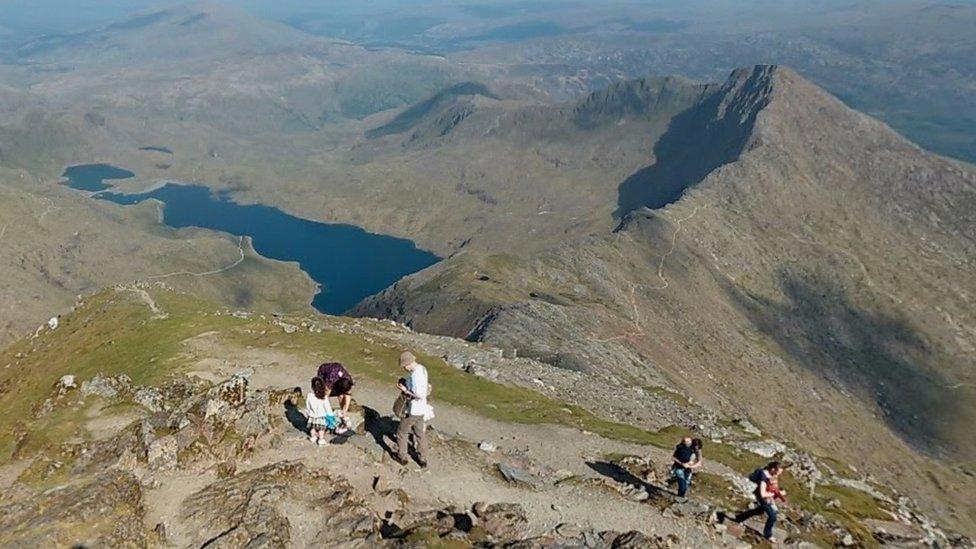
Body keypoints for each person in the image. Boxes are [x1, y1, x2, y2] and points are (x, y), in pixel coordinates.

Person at [733, 461, 787, 543]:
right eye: (777, 472)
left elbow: (773, 486)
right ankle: (768, 535)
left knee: (760, 511)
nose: (778, 474)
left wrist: (778, 491)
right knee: (772, 516)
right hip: (762, 496)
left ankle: (740, 517)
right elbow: (763, 494)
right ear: (773, 469)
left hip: (767, 496)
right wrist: (775, 493)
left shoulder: (772, 475)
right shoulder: (763, 477)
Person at [394, 351, 430, 467]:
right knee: (420, 433)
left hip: (413, 410)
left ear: (407, 364)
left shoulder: (415, 375)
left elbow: (419, 394)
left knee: (401, 432)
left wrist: (405, 390)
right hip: (422, 409)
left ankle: (402, 457)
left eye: (404, 366)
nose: (405, 369)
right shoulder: (422, 369)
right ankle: (423, 459)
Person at [316, 362, 355, 431]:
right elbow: (325, 396)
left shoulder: (348, 379)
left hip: (337, 374)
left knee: (341, 396)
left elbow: (348, 395)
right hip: (323, 373)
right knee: (323, 396)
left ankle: (344, 416)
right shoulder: (331, 379)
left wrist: (344, 410)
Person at [305, 377, 337, 445]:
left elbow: (308, 405)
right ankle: (321, 439)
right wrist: (331, 414)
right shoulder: (323, 396)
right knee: (321, 429)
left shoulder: (309, 395)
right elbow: (327, 407)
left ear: (312, 387)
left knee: (312, 428)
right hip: (321, 416)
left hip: (312, 415)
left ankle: (313, 437)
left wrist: (308, 412)